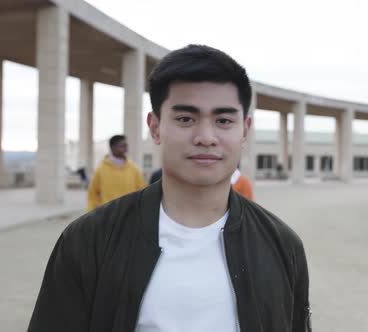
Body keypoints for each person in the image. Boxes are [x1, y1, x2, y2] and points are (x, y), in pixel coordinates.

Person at [28, 44, 311, 332]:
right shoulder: (88, 241)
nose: (205, 137)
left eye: (223, 120)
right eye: (185, 119)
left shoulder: (282, 246)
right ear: (154, 127)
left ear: (244, 131)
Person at [86, 134, 147, 210]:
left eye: (126, 146)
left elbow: (142, 192)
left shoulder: (134, 169)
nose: (126, 149)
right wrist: (93, 214)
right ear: (113, 147)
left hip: (129, 215)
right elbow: (92, 194)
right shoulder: (101, 170)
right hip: (107, 215)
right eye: (122, 146)